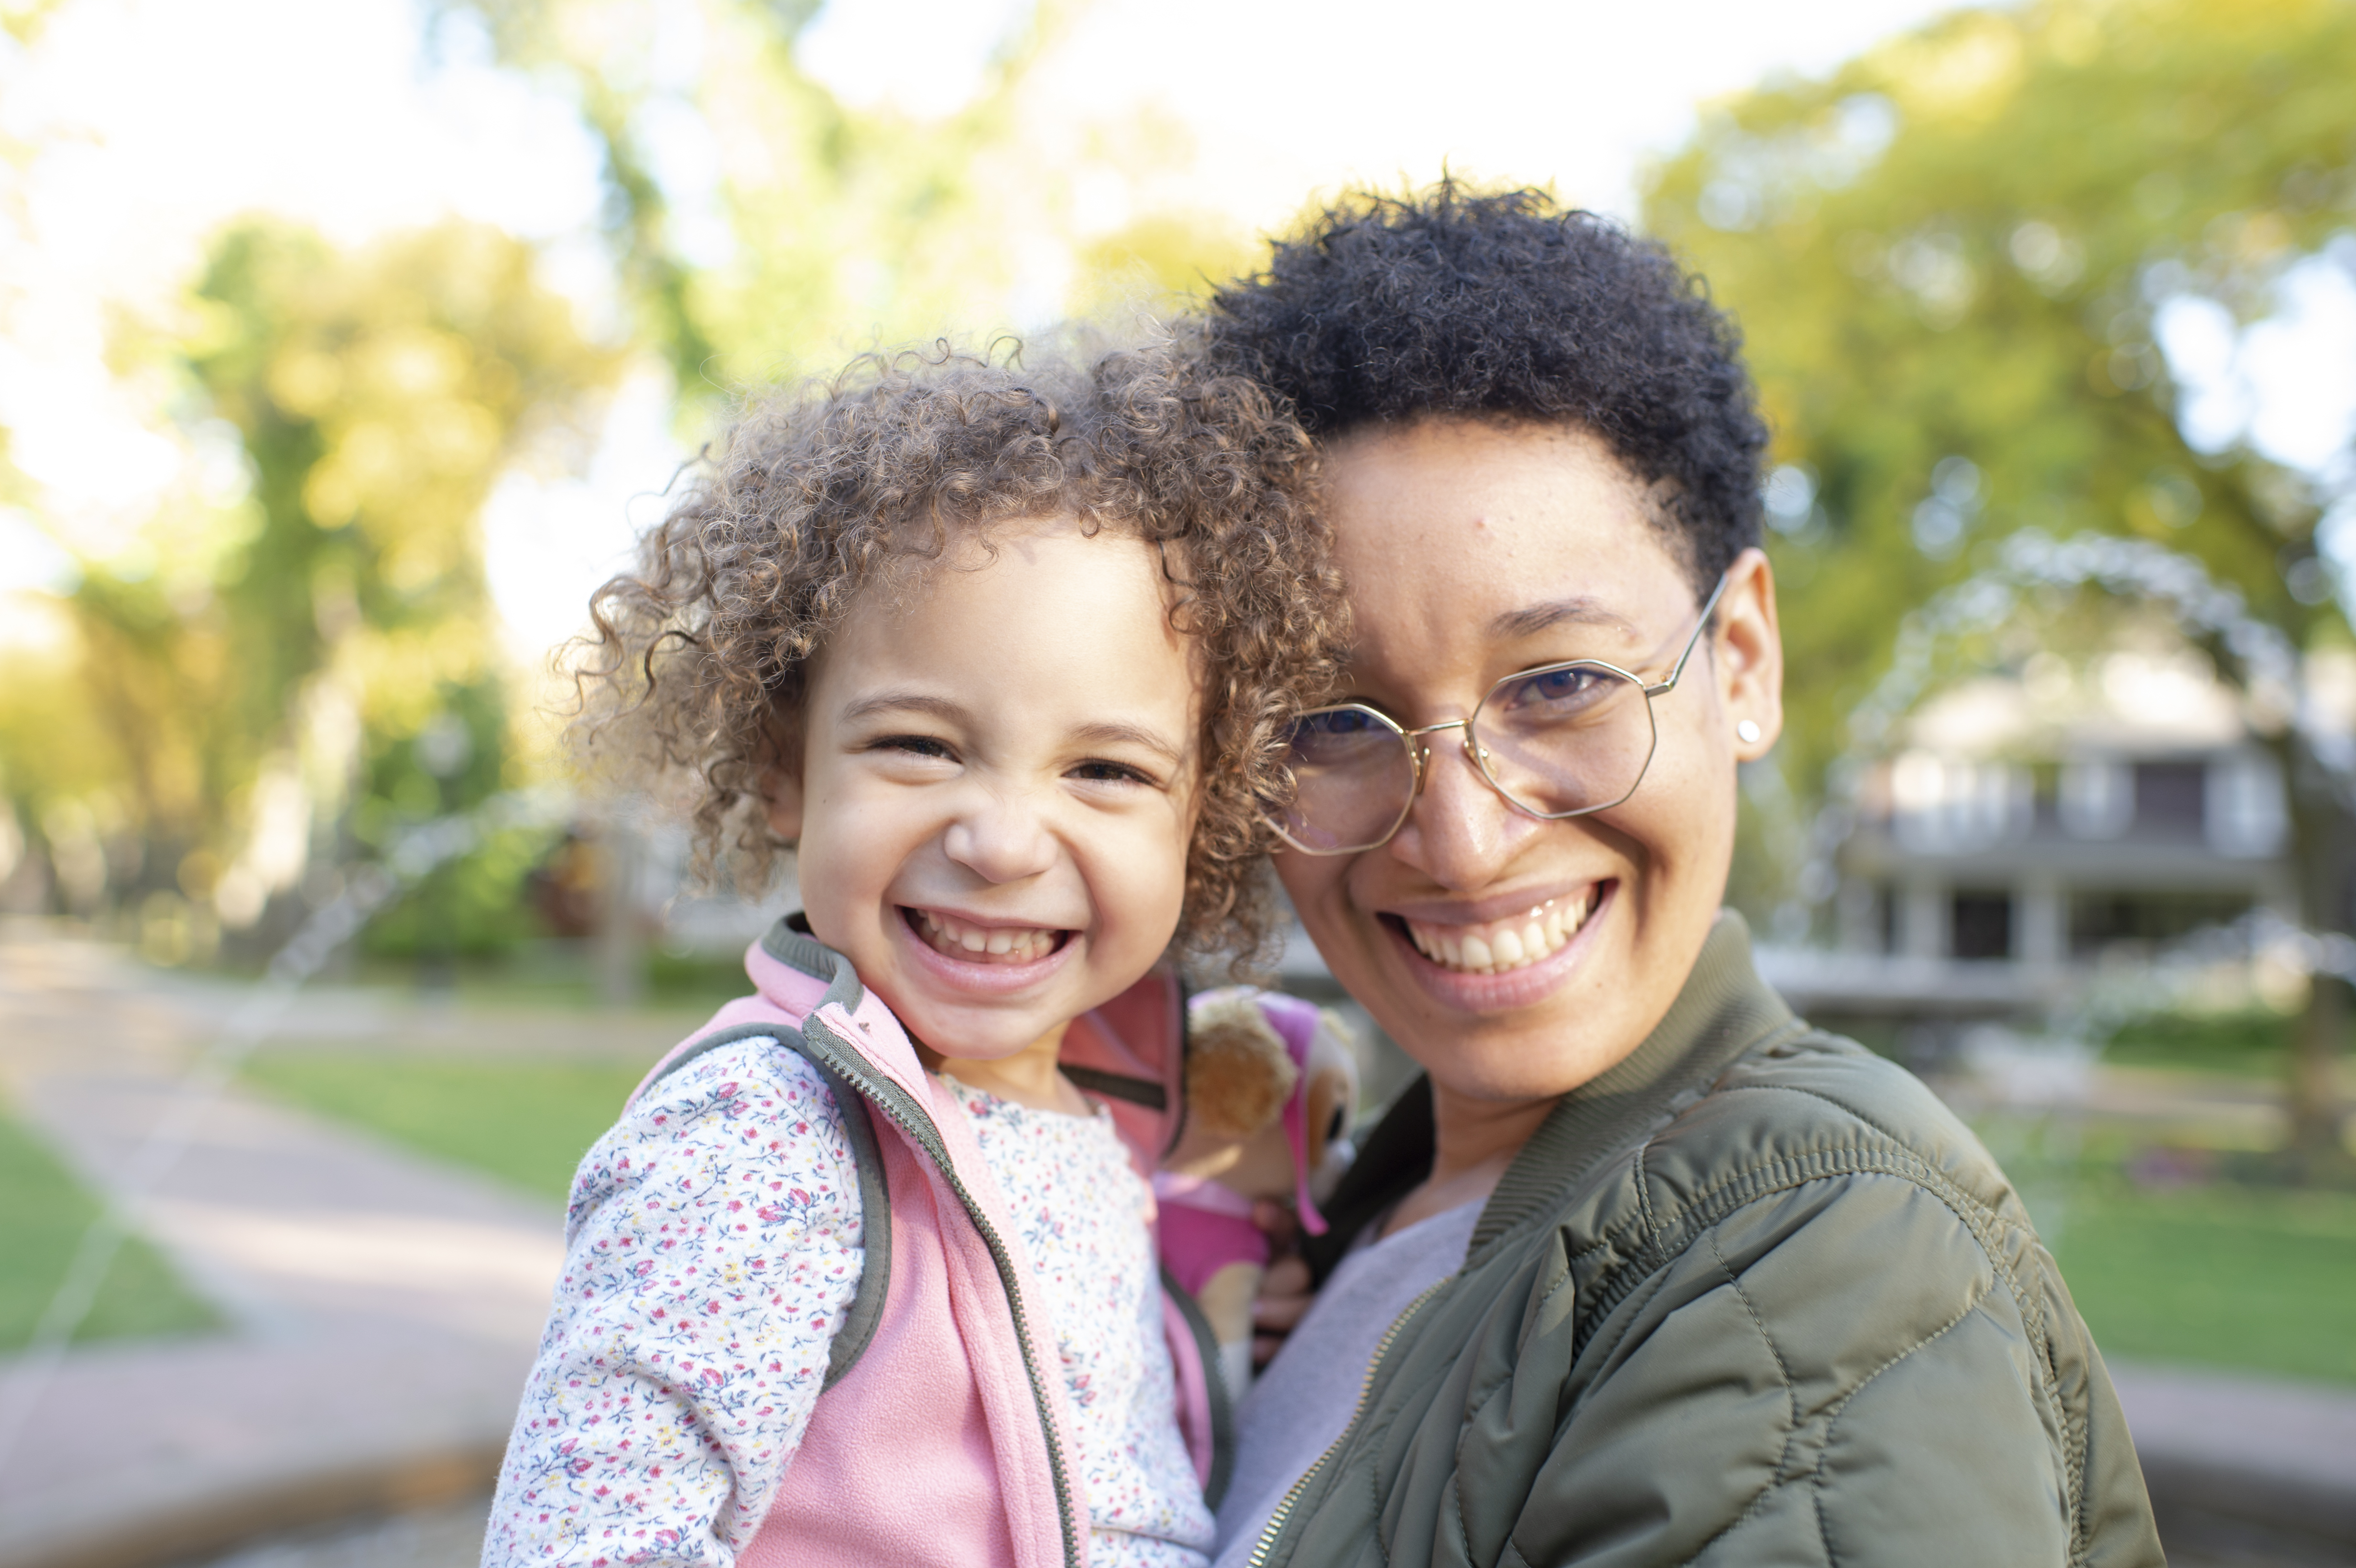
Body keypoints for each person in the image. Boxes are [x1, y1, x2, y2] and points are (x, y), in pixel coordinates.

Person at [1198, 186, 2166, 1568]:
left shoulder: (1811, 1260)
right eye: (1332, 720)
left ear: (1743, 661)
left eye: (1562, 682)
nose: (1459, 839)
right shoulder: (1341, 1226)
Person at [483, 338, 1346, 1568]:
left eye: (1105, 769)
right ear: (785, 768)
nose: (1001, 840)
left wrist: (1216, 1337)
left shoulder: (1123, 1111)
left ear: (1202, 813)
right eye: (921, 746)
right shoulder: (768, 1131)